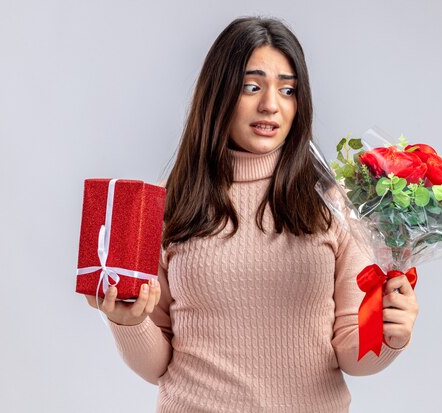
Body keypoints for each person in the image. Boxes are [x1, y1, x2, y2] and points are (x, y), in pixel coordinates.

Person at [85, 16, 419, 413]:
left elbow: (352, 349)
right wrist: (128, 322)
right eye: (252, 86)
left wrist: (389, 337)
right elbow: (158, 364)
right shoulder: (172, 206)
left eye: (288, 89)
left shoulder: (333, 205)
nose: (270, 105)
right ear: (220, 93)